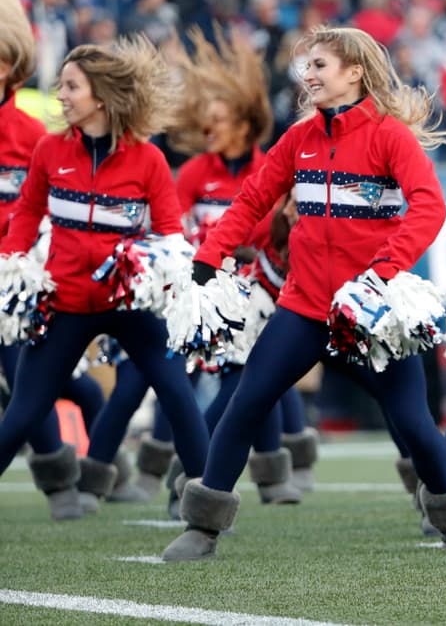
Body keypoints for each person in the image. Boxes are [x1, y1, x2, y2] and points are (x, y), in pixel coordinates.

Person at [162, 26, 446, 561]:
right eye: (305, 67)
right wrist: (208, 255)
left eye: (319, 66)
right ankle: (202, 525)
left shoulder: (389, 136)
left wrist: (383, 271)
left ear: (354, 72)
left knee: (411, 420)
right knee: (247, 402)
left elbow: (429, 207)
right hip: (303, 307)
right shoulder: (299, 138)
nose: (307, 76)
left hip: (370, 310)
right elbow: (249, 203)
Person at [85, 30, 306, 510]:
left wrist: (271, 246)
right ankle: (164, 471)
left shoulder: (269, 167)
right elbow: (172, 229)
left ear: (245, 125)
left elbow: (279, 239)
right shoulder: (190, 173)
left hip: (255, 294)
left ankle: (259, 475)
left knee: (251, 376)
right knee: (170, 379)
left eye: (217, 124)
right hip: (198, 289)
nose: (208, 133)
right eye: (204, 126)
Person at [0, 37, 211, 522]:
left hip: (129, 306)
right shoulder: (51, 151)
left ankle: (207, 507)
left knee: (177, 393)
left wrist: (148, 270)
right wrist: (12, 263)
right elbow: (29, 212)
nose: (60, 95)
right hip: (66, 302)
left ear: (101, 96)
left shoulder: (148, 160)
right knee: (23, 411)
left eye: (71, 86)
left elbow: (169, 235)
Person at [0, 0, 111, 520]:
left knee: (26, 379)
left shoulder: (33, 132)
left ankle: (63, 477)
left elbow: (46, 206)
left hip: (20, 277)